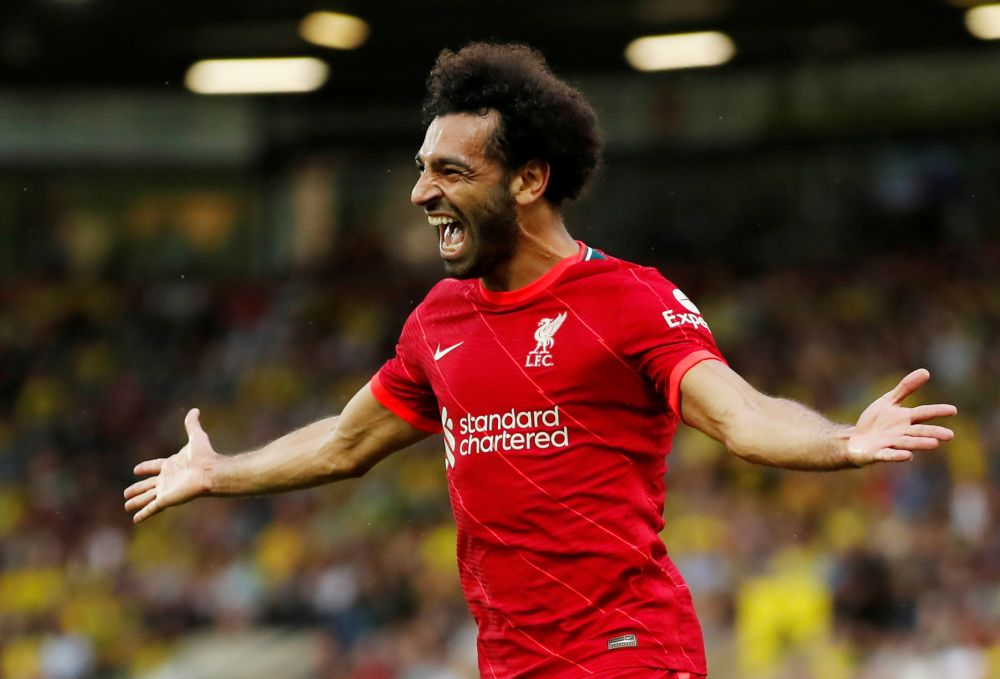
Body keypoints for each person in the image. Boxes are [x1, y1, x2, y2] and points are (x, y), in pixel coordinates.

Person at [124, 43, 958, 679]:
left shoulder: (628, 298)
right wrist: (220, 471)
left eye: (450, 171)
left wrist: (843, 439)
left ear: (528, 178)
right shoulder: (438, 319)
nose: (421, 194)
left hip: (628, 651)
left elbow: (740, 416)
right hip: (509, 661)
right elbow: (344, 443)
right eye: (422, 172)